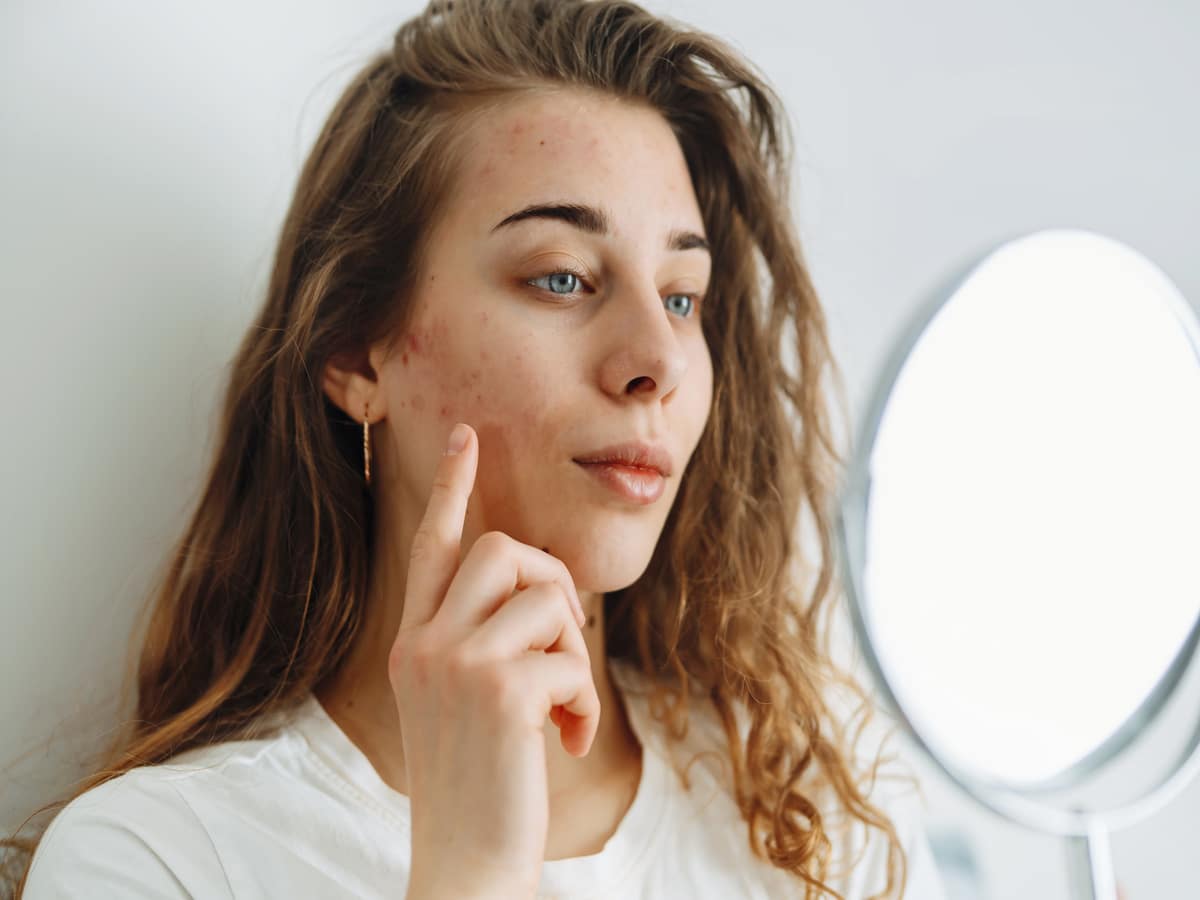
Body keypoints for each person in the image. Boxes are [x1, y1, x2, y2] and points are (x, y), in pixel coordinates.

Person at [2, 0, 947, 897]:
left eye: (681, 296)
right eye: (564, 278)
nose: (656, 360)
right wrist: (474, 872)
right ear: (353, 351)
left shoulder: (822, 820)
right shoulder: (159, 864)